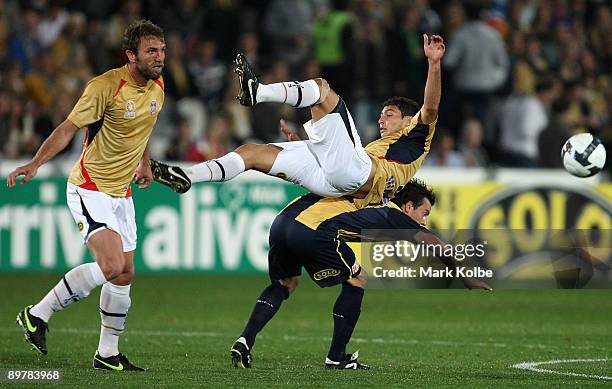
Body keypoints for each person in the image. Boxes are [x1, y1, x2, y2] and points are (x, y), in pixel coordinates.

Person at [7, 19, 166, 371]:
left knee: (124, 273)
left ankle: (107, 353)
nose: (160, 57)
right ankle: (38, 313)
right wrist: (34, 163)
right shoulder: (105, 87)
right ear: (131, 55)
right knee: (111, 267)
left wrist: (144, 164)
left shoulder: (158, 87)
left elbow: (144, 127)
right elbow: (68, 128)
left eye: (162, 50)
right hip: (90, 187)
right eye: (151, 51)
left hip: (122, 192)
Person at [151, 34, 445, 209]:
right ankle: (188, 177)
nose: (381, 119)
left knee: (322, 90)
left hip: (353, 173)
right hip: (334, 184)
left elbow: (430, 109)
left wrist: (433, 64)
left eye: (389, 115)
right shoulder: (386, 149)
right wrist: (306, 144)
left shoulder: (416, 135)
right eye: (381, 114)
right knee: (252, 153)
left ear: (408, 120)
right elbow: (339, 162)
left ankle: (258, 91)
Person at [230, 179, 493, 369]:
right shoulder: (395, 215)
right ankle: (336, 356)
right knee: (358, 277)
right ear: (408, 206)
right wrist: (464, 276)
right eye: (424, 213)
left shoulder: (354, 185)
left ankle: (245, 339)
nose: (424, 220)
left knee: (286, 282)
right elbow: (435, 243)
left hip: (281, 222)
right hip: (313, 231)